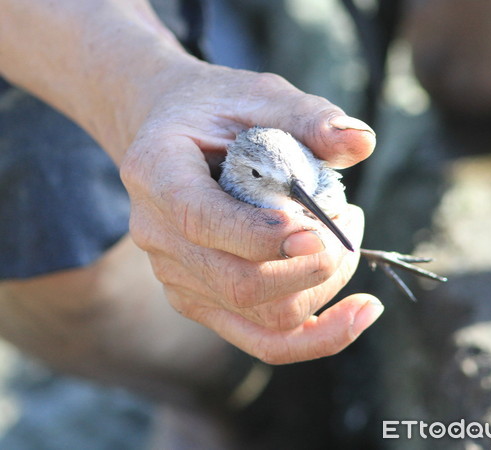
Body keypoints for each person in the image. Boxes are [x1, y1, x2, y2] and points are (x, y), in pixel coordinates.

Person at [0, 0, 382, 407]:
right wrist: (152, 91)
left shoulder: (302, 176)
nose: (297, 194)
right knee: (61, 259)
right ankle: (215, 400)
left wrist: (161, 85)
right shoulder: (234, 181)